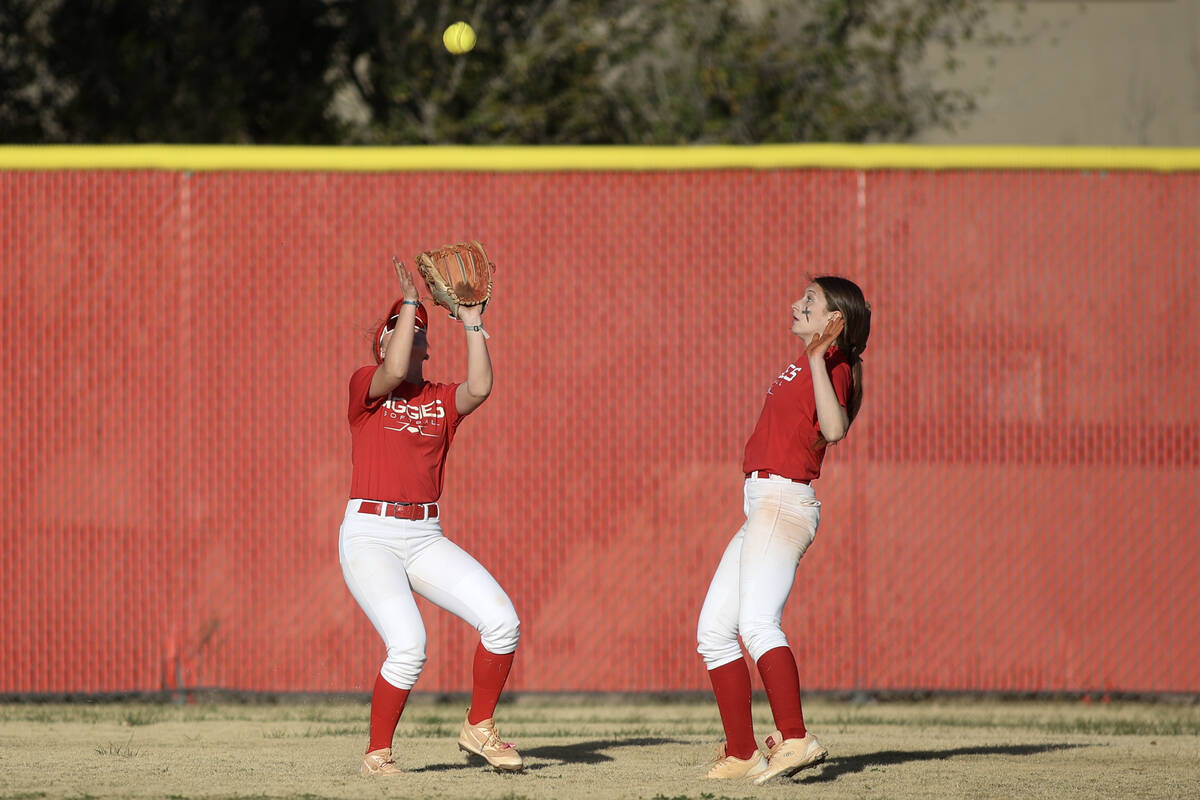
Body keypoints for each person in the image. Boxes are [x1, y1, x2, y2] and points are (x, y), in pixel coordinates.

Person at [339, 258, 522, 776]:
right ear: (383, 343)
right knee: (410, 645)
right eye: (397, 330)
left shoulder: (440, 399)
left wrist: (471, 322)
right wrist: (412, 303)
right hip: (370, 534)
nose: (406, 337)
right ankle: (378, 753)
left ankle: (478, 727)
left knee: (503, 623)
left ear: (425, 346)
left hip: (422, 534)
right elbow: (393, 371)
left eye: (415, 332)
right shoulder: (366, 389)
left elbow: (480, 387)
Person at [695, 275, 871, 784]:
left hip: (783, 501)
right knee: (714, 632)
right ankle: (743, 751)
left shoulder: (832, 365)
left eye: (810, 302)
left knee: (757, 622)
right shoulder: (805, 363)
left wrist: (820, 357)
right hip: (761, 506)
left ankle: (795, 739)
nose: (797, 304)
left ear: (833, 321)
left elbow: (835, 430)